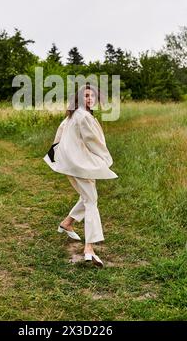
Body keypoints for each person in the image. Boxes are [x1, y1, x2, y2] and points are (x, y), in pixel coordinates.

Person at [43, 84, 118, 267]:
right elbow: (94, 142)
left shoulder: (72, 115)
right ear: (78, 98)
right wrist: (105, 159)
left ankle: (67, 223)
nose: (90, 99)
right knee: (91, 201)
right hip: (79, 164)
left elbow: (59, 138)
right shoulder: (84, 116)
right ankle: (89, 249)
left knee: (87, 197)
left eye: (92, 96)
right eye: (85, 95)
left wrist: (58, 157)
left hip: (73, 164)